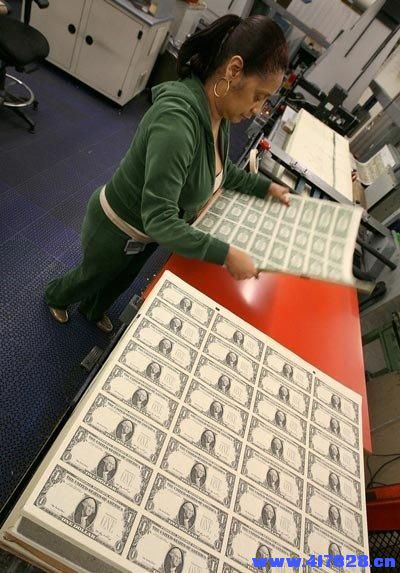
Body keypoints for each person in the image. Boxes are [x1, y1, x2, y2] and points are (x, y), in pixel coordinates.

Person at [44, 15, 289, 333]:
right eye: (259, 95)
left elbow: (220, 170)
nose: (258, 109)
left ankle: (93, 311)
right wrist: (227, 254)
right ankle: (57, 296)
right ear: (233, 70)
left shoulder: (219, 116)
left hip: (143, 236)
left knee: (119, 281)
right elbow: (160, 220)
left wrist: (266, 188)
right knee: (92, 276)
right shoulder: (177, 123)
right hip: (117, 228)